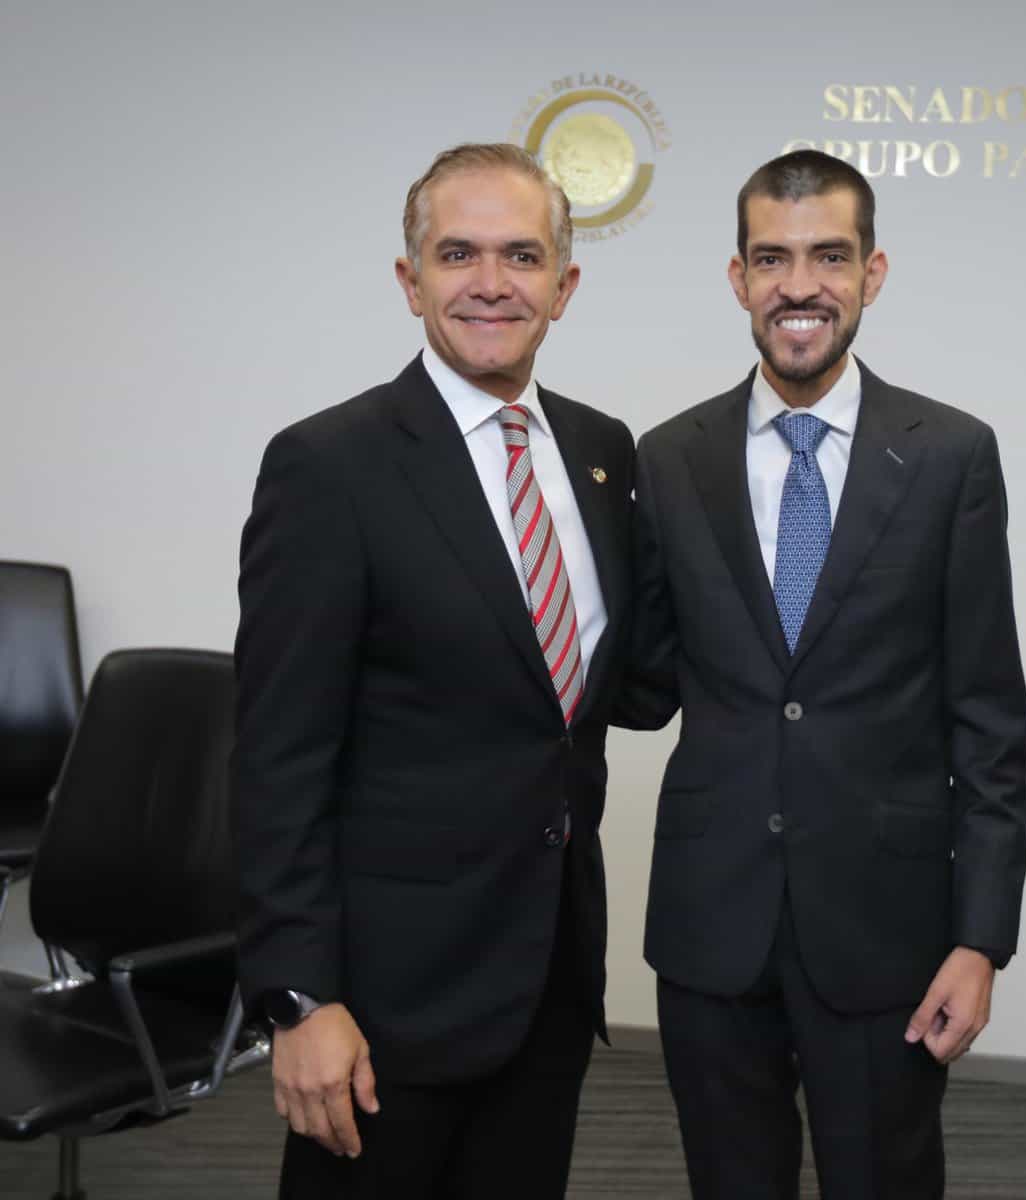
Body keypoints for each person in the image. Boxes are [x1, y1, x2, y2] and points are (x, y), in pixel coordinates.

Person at [624, 149, 1026, 1198]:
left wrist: (979, 938)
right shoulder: (667, 460)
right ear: (736, 277)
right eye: (771, 258)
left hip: (886, 931)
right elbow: (642, 679)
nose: (797, 286)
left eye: (826, 257)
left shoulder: (948, 456)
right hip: (712, 926)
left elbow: (986, 713)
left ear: (871, 272)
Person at [231, 143, 636, 1199]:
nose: (491, 283)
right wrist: (296, 999)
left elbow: (619, 686)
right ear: (410, 281)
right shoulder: (329, 467)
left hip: (545, 975)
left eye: (521, 255)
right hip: (380, 1004)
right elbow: (278, 758)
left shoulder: (602, 453)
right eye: (457, 254)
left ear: (564, 285)